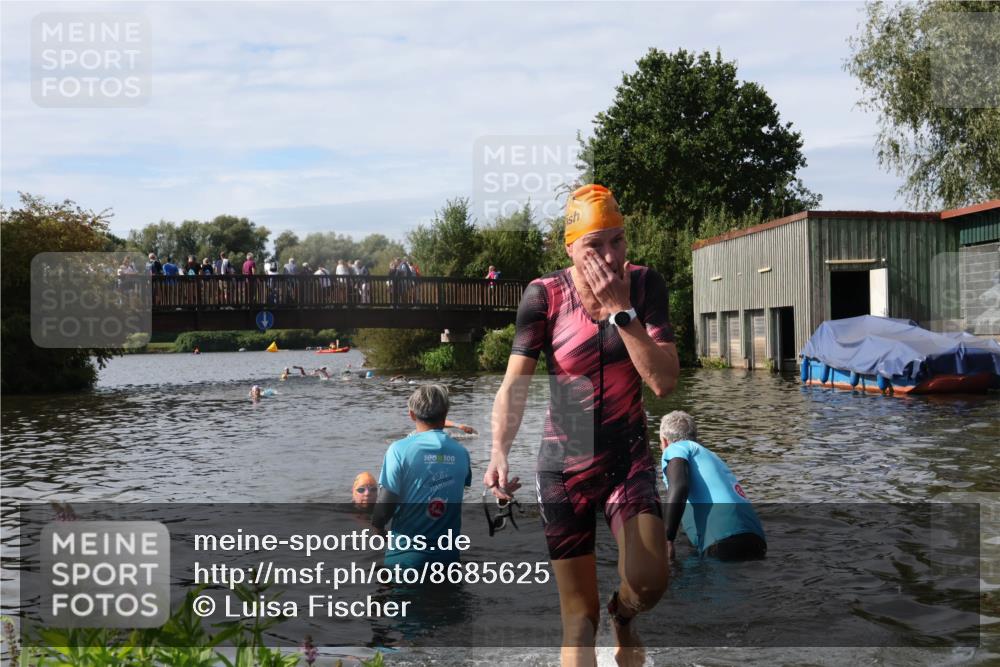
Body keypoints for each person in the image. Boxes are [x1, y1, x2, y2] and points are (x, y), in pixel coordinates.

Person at [485, 183, 679, 666]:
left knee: (651, 584)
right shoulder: (544, 295)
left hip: (627, 459)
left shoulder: (645, 286)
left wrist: (620, 312)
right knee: (578, 621)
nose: (609, 256)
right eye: (595, 245)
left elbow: (663, 383)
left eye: (618, 241)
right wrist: (498, 452)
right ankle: (603, 623)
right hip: (563, 469)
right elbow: (514, 385)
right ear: (569, 246)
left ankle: (625, 615)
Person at [371, 384, 472, 567]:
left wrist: (378, 528)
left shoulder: (398, 450)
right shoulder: (461, 453)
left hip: (406, 558)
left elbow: (384, 508)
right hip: (449, 558)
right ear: (445, 413)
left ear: (411, 414)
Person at [659, 411, 766, 561]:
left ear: (664, 441)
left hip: (723, 541)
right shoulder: (710, 456)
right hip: (756, 539)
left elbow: (680, 485)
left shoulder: (676, 448)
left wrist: (667, 538)